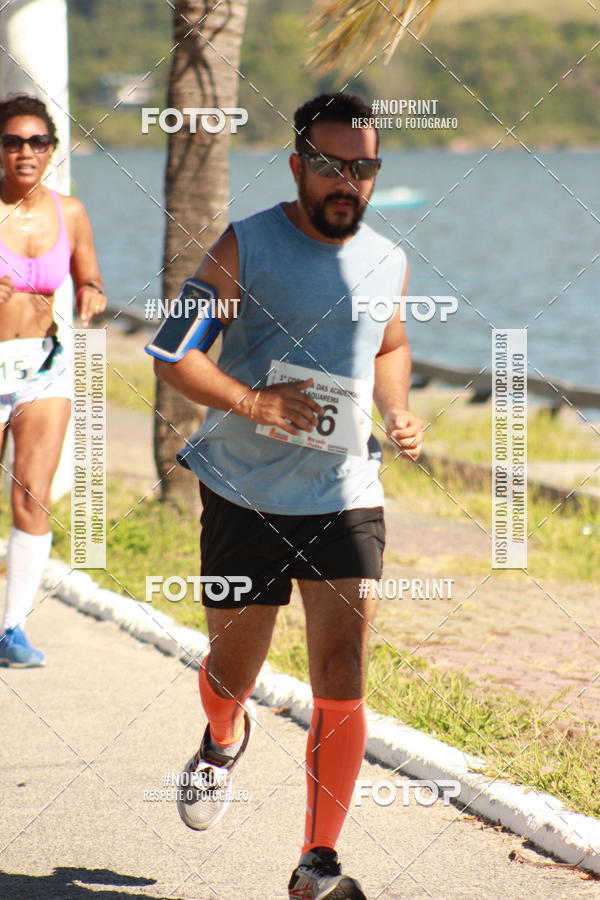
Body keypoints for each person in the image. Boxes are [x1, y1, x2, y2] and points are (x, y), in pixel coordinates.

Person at [154, 92, 424, 900]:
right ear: (300, 165)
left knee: (342, 667)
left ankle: (318, 862)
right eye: (333, 165)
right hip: (243, 492)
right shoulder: (246, 246)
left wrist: (398, 409)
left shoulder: (386, 259)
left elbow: (394, 343)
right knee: (236, 669)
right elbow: (174, 350)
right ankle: (221, 733)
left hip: (344, 491)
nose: (350, 181)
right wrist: (255, 402)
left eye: (364, 167)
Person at [0, 94, 106, 667]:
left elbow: (89, 276)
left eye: (36, 141)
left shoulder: (72, 212)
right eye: (12, 141)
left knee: (32, 495)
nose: (25, 152)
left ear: (51, 149)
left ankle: (11, 628)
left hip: (43, 365)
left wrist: (90, 294)